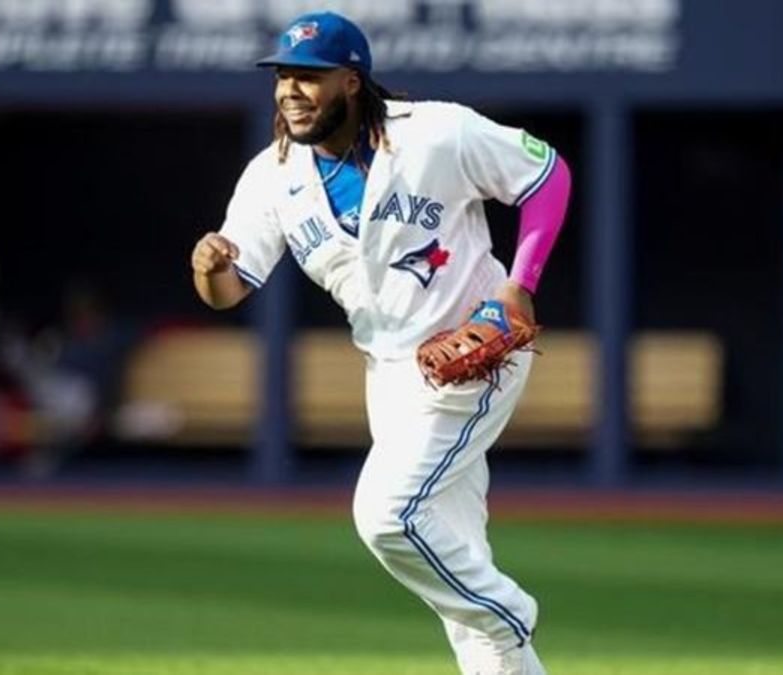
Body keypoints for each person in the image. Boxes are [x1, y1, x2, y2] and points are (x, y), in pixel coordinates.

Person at [190, 11, 571, 675]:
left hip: (472, 352)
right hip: (389, 374)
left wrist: (520, 285)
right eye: (283, 76)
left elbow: (547, 175)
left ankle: (511, 612)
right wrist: (207, 264)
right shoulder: (272, 176)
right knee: (451, 551)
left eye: (309, 77)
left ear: (352, 80)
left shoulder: (436, 132)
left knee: (386, 515)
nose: (291, 91)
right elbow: (229, 289)